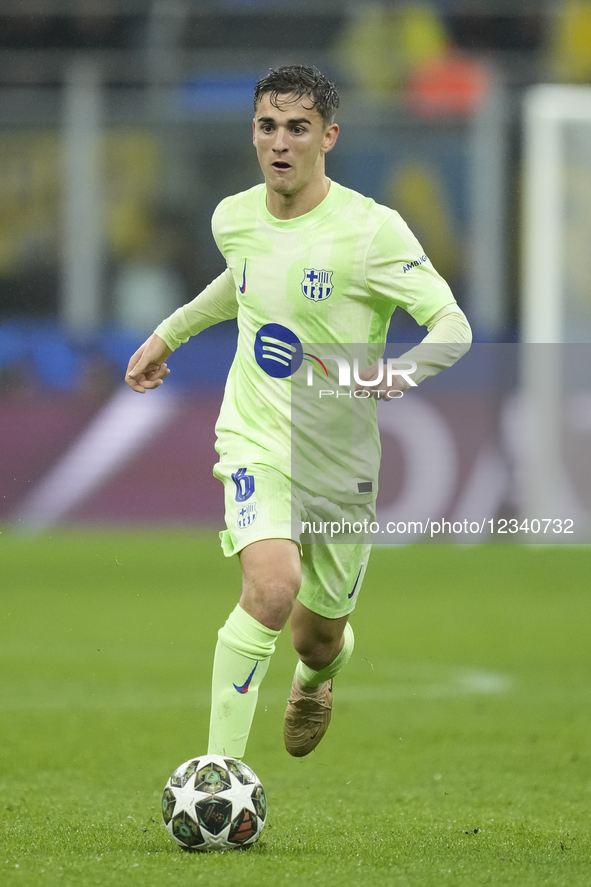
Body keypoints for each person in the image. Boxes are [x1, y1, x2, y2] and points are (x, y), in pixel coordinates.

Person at [125, 65, 471, 762]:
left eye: (297, 128)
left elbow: (451, 326)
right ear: (252, 132)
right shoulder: (233, 216)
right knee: (271, 586)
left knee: (317, 634)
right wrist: (168, 333)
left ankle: (315, 679)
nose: (279, 142)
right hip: (256, 435)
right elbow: (244, 283)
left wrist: (399, 370)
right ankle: (220, 773)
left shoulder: (372, 231)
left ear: (327, 137)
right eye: (266, 126)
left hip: (338, 457)